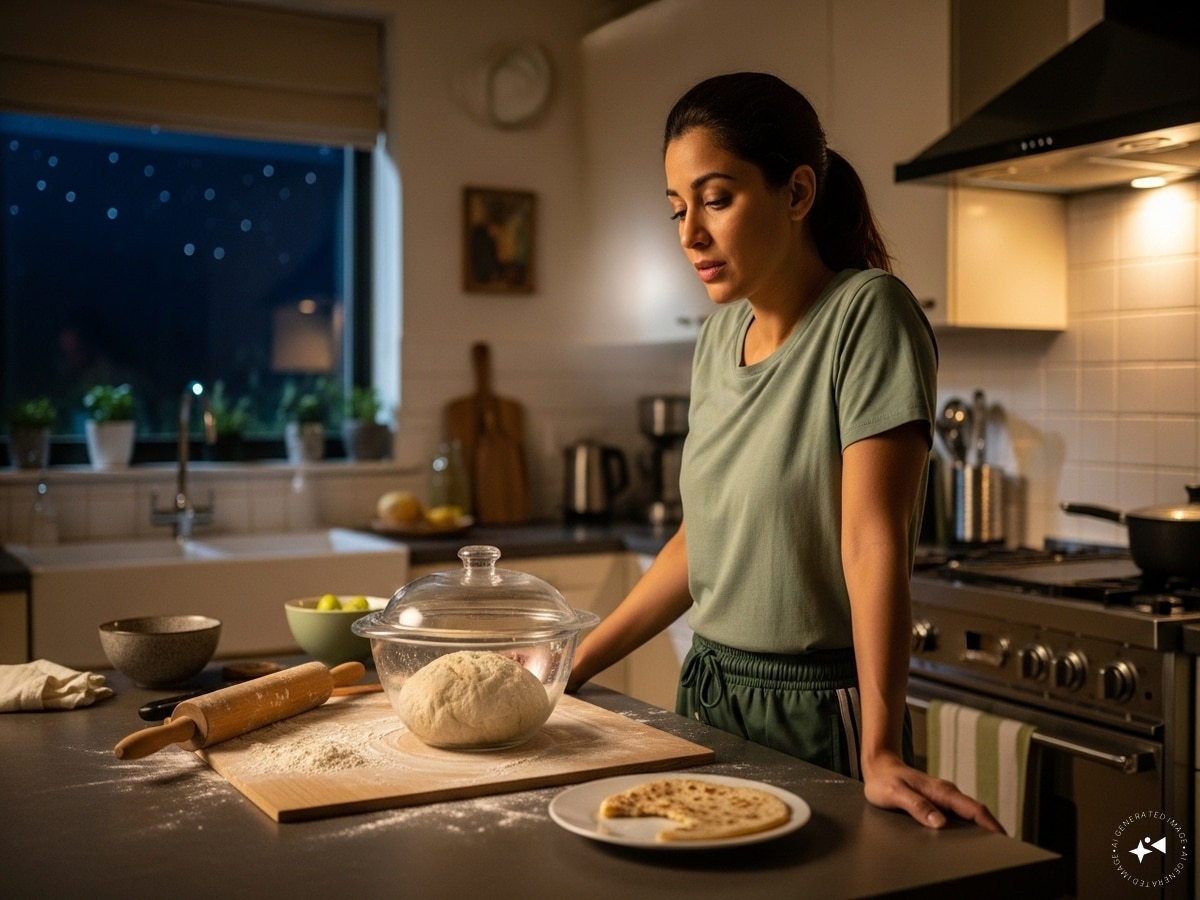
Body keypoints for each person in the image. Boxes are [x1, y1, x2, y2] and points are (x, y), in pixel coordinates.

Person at [567, 72, 1001, 834]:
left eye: (716, 199)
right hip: (707, 692)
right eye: (677, 209)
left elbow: (872, 541)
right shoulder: (714, 341)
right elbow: (699, 545)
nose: (689, 235)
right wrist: (571, 664)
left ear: (797, 193)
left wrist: (879, 750)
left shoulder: (868, 317)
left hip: (819, 709)